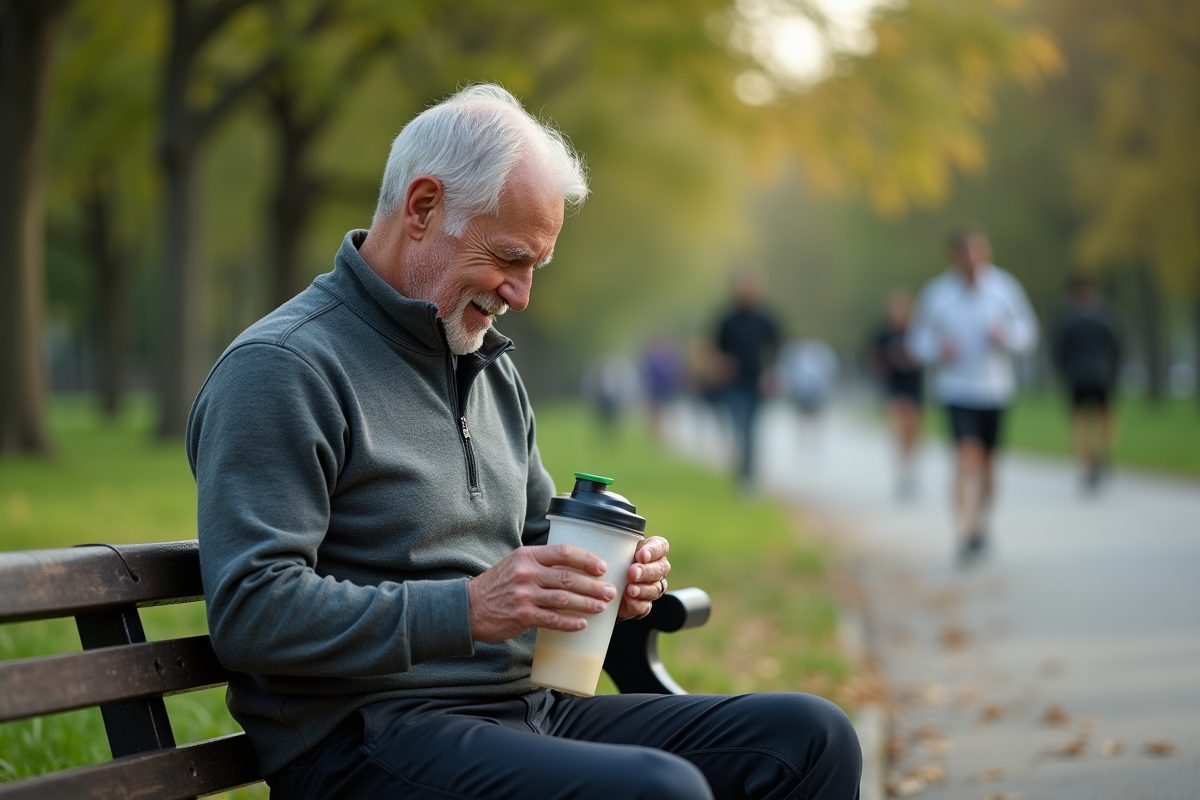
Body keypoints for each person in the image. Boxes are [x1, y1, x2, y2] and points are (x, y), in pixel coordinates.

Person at [186, 85, 860, 800]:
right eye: (510, 258)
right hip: (369, 736)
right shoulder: (283, 368)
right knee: (658, 793)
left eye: (535, 265)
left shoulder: (484, 363)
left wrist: (613, 578)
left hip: (524, 711)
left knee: (812, 740)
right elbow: (251, 611)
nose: (522, 294)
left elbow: (541, 538)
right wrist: (469, 608)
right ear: (422, 208)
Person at [908, 228, 1039, 560]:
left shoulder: (1004, 289)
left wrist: (1005, 337)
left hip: (995, 389)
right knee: (966, 460)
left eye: (978, 253)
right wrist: (938, 349)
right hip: (956, 389)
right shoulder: (936, 295)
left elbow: (1028, 334)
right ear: (954, 258)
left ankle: (981, 523)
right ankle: (966, 531)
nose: (972, 260)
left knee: (990, 467)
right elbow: (916, 341)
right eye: (965, 254)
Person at [1051, 275, 1123, 490]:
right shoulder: (1106, 315)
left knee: (1084, 422)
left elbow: (1058, 351)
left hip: (1081, 377)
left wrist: (1064, 373)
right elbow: (1118, 346)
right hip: (1099, 376)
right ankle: (1097, 455)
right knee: (1097, 419)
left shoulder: (1067, 318)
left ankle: (1091, 459)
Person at [713, 272, 781, 488]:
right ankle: (743, 474)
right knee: (740, 427)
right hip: (734, 383)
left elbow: (776, 347)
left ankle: (749, 476)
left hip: (756, 381)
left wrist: (771, 372)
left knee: (752, 430)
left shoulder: (766, 318)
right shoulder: (727, 320)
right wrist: (723, 365)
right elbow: (717, 349)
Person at [868, 291, 924, 498]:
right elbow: (874, 357)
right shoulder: (883, 334)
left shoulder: (917, 333)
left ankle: (910, 465)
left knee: (913, 428)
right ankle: (901, 468)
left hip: (914, 385)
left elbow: (927, 355)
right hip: (894, 386)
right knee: (899, 424)